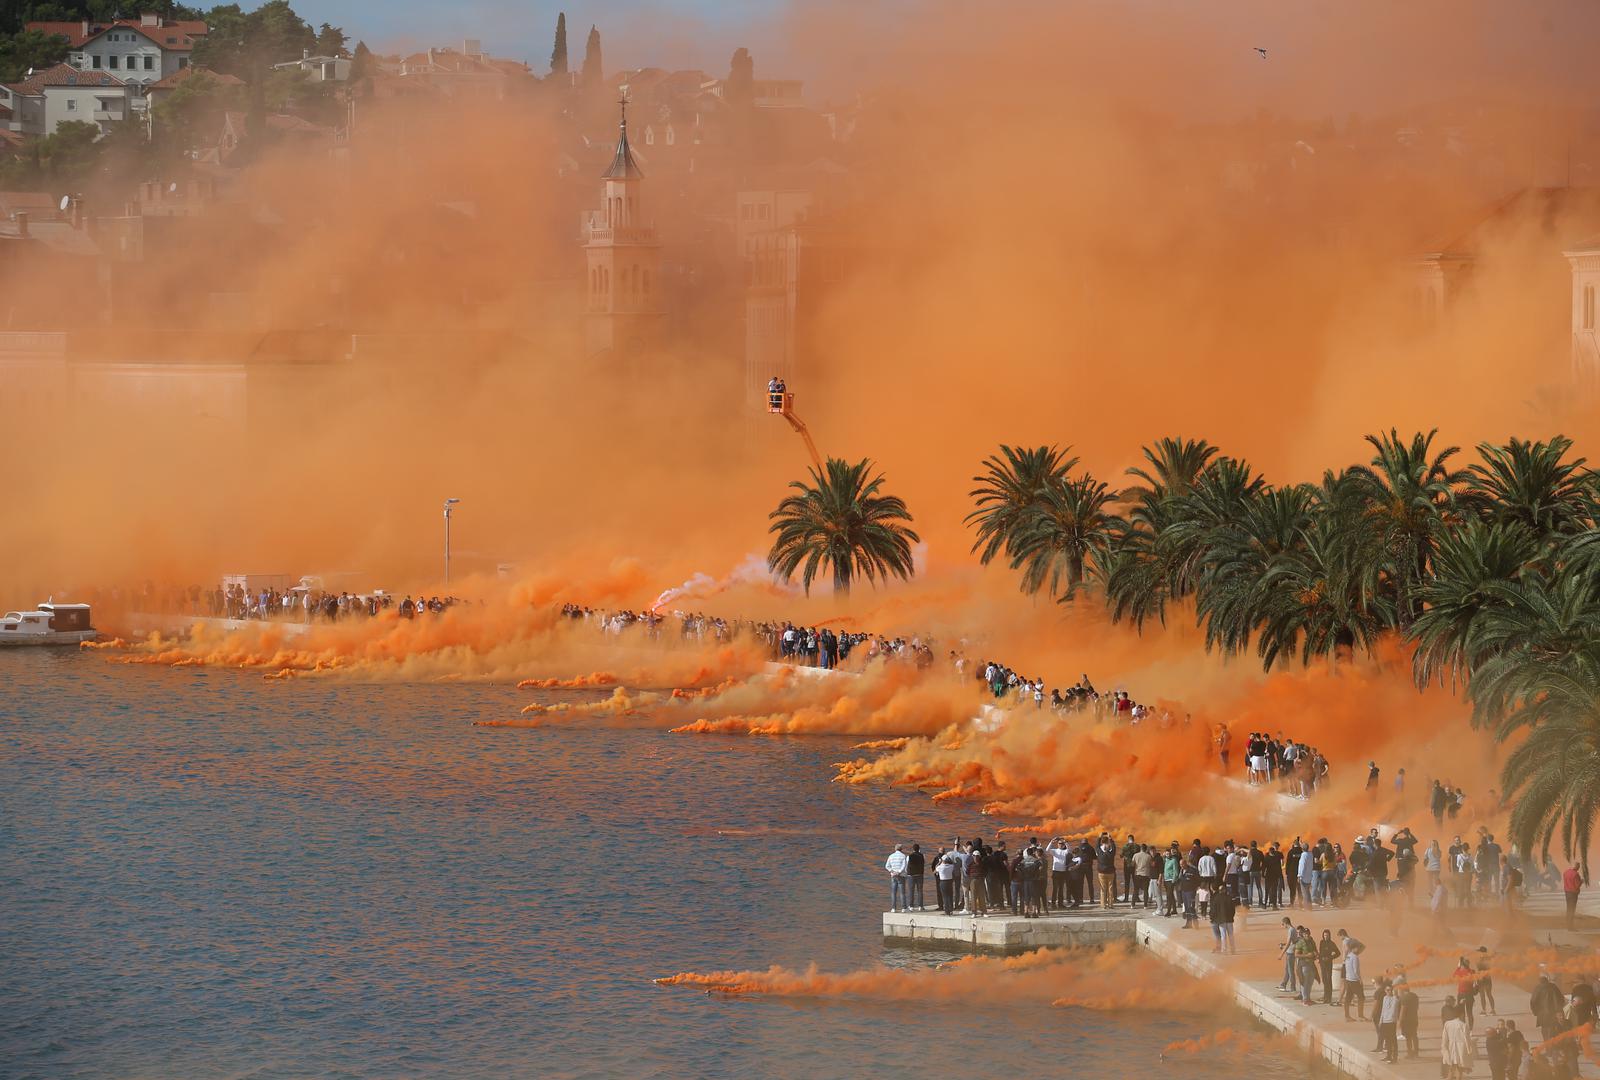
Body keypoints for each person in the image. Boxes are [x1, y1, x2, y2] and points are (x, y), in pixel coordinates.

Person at [1442, 1003, 1473, 1079]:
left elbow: (1444, 1038)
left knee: (1451, 1069)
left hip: (1451, 1048)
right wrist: (1469, 1052)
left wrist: (1444, 1048)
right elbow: (1467, 1039)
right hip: (1461, 1049)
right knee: (1459, 1070)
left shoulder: (1447, 1024)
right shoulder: (1463, 1025)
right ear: (1462, 1014)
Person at [1341, 935, 1365, 1021]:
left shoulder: (1348, 956)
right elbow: (1356, 970)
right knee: (1361, 997)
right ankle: (1360, 1015)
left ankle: (1347, 1016)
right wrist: (1360, 979)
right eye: (1357, 948)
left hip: (1348, 979)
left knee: (1348, 998)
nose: (1358, 950)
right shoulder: (1355, 957)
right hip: (1354, 980)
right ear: (1354, 948)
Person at [1209, 881, 1236, 954]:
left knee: (1223, 936)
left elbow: (1214, 910)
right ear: (1225, 890)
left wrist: (1212, 917)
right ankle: (1233, 949)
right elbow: (1233, 909)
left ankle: (1224, 950)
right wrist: (1231, 916)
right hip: (1229, 920)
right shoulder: (1229, 898)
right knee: (1231, 935)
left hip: (1221, 920)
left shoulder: (1216, 899)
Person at [1378, 977, 1401, 1062]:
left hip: (1391, 1022)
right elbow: (1383, 1010)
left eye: (1390, 990)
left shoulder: (1395, 999)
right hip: (1384, 1022)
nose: (1389, 992)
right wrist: (1381, 1021)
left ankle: (1394, 1057)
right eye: (1387, 990)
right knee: (1387, 1040)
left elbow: (1395, 1004)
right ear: (1385, 990)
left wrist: (1394, 992)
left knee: (1393, 1039)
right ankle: (1388, 1056)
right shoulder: (1384, 998)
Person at [1317, 930, 1340, 1005]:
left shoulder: (1331, 943)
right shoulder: (1321, 942)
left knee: (1328, 980)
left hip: (1328, 964)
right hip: (1322, 964)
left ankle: (1329, 998)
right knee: (1324, 980)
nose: (1325, 937)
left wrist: (1330, 957)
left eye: (1327, 935)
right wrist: (1319, 959)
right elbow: (1320, 952)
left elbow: (1338, 953)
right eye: (1324, 935)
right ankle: (1325, 996)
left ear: (1329, 936)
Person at [1399, 983, 1421, 1059]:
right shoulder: (1415, 996)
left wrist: (1400, 1021)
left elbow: (1403, 1010)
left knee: (1408, 1037)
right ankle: (1416, 1052)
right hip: (1414, 1018)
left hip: (1407, 1020)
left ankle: (1410, 1053)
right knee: (1414, 1035)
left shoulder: (1404, 998)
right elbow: (1417, 1007)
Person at [885, 844, 909, 911]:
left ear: (895, 849)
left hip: (893, 876)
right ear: (901, 849)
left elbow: (887, 866)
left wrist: (892, 871)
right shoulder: (903, 856)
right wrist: (899, 872)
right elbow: (904, 866)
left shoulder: (891, 856)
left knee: (893, 893)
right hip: (901, 876)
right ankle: (904, 908)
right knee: (902, 893)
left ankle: (893, 908)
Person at [934, 847, 957, 914]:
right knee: (950, 895)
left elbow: (935, 870)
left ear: (942, 860)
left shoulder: (940, 867)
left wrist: (939, 862)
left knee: (945, 896)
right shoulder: (951, 866)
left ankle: (947, 911)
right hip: (950, 881)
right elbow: (953, 864)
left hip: (943, 882)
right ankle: (951, 909)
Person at [1563, 862, 1583, 930]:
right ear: (1577, 866)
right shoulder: (1576, 874)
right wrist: (1581, 881)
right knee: (1572, 909)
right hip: (1573, 894)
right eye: (1579, 866)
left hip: (1567, 892)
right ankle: (1570, 927)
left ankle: (1567, 925)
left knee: (1568, 908)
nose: (1579, 868)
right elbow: (1577, 885)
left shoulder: (1566, 872)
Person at [906, 843, 926, 911]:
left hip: (911, 875)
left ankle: (911, 906)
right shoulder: (922, 855)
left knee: (911, 891)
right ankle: (920, 906)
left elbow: (907, 865)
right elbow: (923, 863)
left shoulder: (909, 856)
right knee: (920, 891)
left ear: (913, 849)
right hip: (920, 874)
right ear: (919, 849)